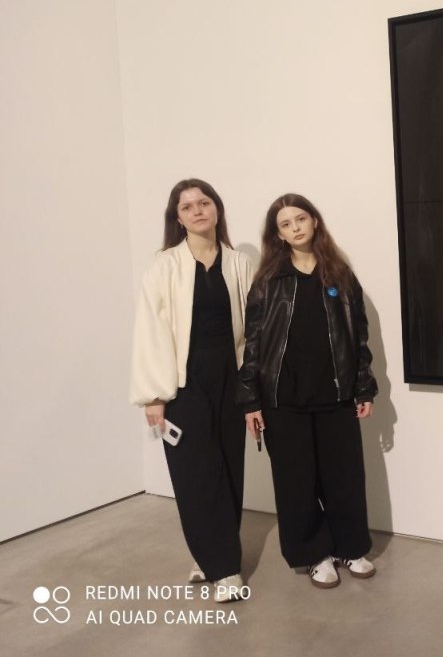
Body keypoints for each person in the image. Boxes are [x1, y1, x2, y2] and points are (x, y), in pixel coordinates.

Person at [238, 193, 378, 589]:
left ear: (315, 221)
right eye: (285, 223)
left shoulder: (340, 275)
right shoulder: (268, 282)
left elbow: (359, 337)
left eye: (301, 218)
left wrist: (364, 388)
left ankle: (350, 547)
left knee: (344, 478)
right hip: (283, 400)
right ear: (278, 235)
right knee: (296, 483)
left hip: (336, 396)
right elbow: (252, 344)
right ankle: (315, 554)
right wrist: (250, 399)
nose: (295, 227)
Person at [129, 178, 254, 603]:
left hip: (231, 379)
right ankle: (223, 568)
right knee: (195, 474)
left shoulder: (239, 263)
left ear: (217, 209)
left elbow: (252, 330)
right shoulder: (163, 265)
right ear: (178, 218)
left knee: (230, 469)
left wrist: (253, 388)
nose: (197, 210)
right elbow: (150, 331)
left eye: (204, 202)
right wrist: (154, 395)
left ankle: (211, 552)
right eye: (187, 206)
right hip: (183, 384)